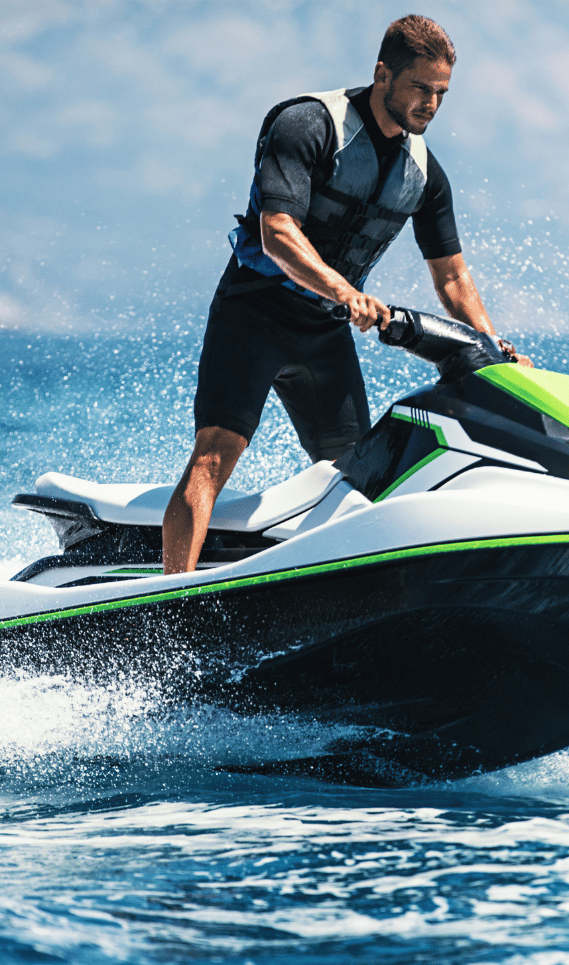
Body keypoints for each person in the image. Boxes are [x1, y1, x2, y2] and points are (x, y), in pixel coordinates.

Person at [162, 14, 528, 575]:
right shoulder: (308, 124)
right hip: (254, 312)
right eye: (420, 88)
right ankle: (175, 600)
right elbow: (277, 231)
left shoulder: (425, 174)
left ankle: (330, 590)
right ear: (383, 73)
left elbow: (452, 276)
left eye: (441, 93)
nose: (431, 104)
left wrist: (492, 349)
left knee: (354, 480)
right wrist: (344, 290)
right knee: (217, 452)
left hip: (323, 332)